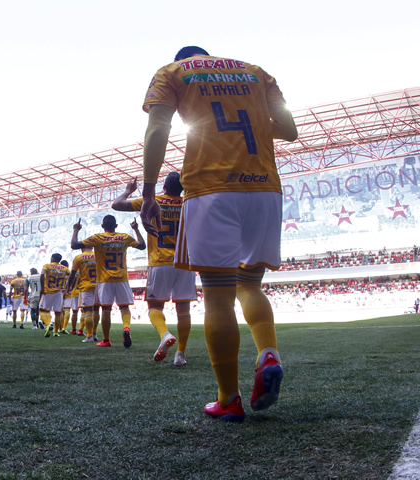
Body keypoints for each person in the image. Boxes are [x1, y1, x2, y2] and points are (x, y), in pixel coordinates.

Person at [140, 46, 298, 422]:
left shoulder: (173, 72)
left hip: (212, 191)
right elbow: (289, 131)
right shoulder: (257, 71)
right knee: (250, 285)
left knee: (217, 298)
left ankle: (229, 398)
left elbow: (158, 129)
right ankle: (268, 351)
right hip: (264, 189)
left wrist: (148, 192)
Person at [112, 174, 196, 366]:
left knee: (154, 307)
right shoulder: (189, 203)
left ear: (164, 186)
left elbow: (117, 204)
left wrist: (128, 190)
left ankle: (164, 334)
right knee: (184, 310)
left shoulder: (152, 200)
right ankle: (180, 355)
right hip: (185, 260)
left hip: (160, 261)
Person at [71, 215, 145, 347]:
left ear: (102, 226)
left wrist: (76, 230)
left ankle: (106, 340)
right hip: (122, 278)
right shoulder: (124, 237)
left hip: (104, 280)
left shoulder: (97, 238)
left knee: (106, 309)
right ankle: (126, 328)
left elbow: (74, 245)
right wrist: (136, 229)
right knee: (124, 307)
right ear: (116, 226)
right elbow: (142, 246)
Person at [66, 245, 98, 343]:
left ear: (81, 248)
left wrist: (68, 287)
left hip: (86, 287)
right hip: (98, 286)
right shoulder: (98, 255)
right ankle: (94, 334)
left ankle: (89, 336)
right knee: (96, 310)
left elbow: (72, 274)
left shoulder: (79, 257)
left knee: (87, 311)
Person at [39, 253, 69, 337]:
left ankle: (49, 324)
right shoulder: (65, 268)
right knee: (58, 313)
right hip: (59, 292)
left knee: (42, 310)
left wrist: (42, 287)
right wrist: (68, 287)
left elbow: (42, 274)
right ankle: (56, 332)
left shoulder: (47, 266)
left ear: (52, 258)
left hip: (48, 291)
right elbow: (71, 276)